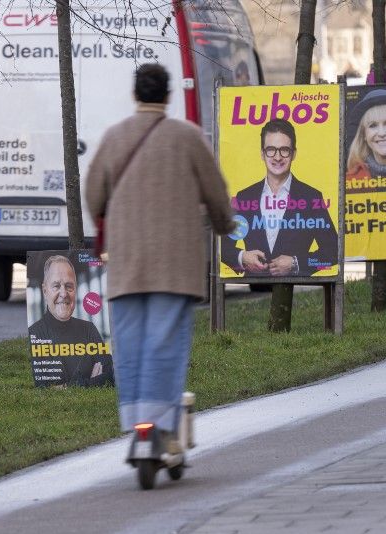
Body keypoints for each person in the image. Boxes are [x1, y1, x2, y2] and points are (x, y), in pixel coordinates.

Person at [85, 63, 234, 448]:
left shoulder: (114, 137)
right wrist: (223, 224)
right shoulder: (187, 137)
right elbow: (217, 193)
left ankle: (135, 421)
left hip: (126, 262)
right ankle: (160, 424)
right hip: (175, 264)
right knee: (165, 343)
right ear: (168, 96)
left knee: (130, 344)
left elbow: (94, 197)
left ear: (135, 94)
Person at [219, 119, 337, 277]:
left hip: (296, 290)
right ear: (262, 153)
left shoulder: (311, 197)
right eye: (271, 149)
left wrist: (296, 263)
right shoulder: (245, 197)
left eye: (284, 150)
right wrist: (243, 257)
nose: (277, 157)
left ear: (293, 153)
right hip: (256, 289)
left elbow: (333, 251)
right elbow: (223, 248)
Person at [28, 255, 113, 387]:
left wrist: (66, 387)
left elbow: (110, 376)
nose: (64, 294)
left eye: (69, 286)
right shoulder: (34, 334)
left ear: (75, 290)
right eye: (56, 286)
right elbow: (41, 388)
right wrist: (91, 383)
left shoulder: (88, 329)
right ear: (45, 291)